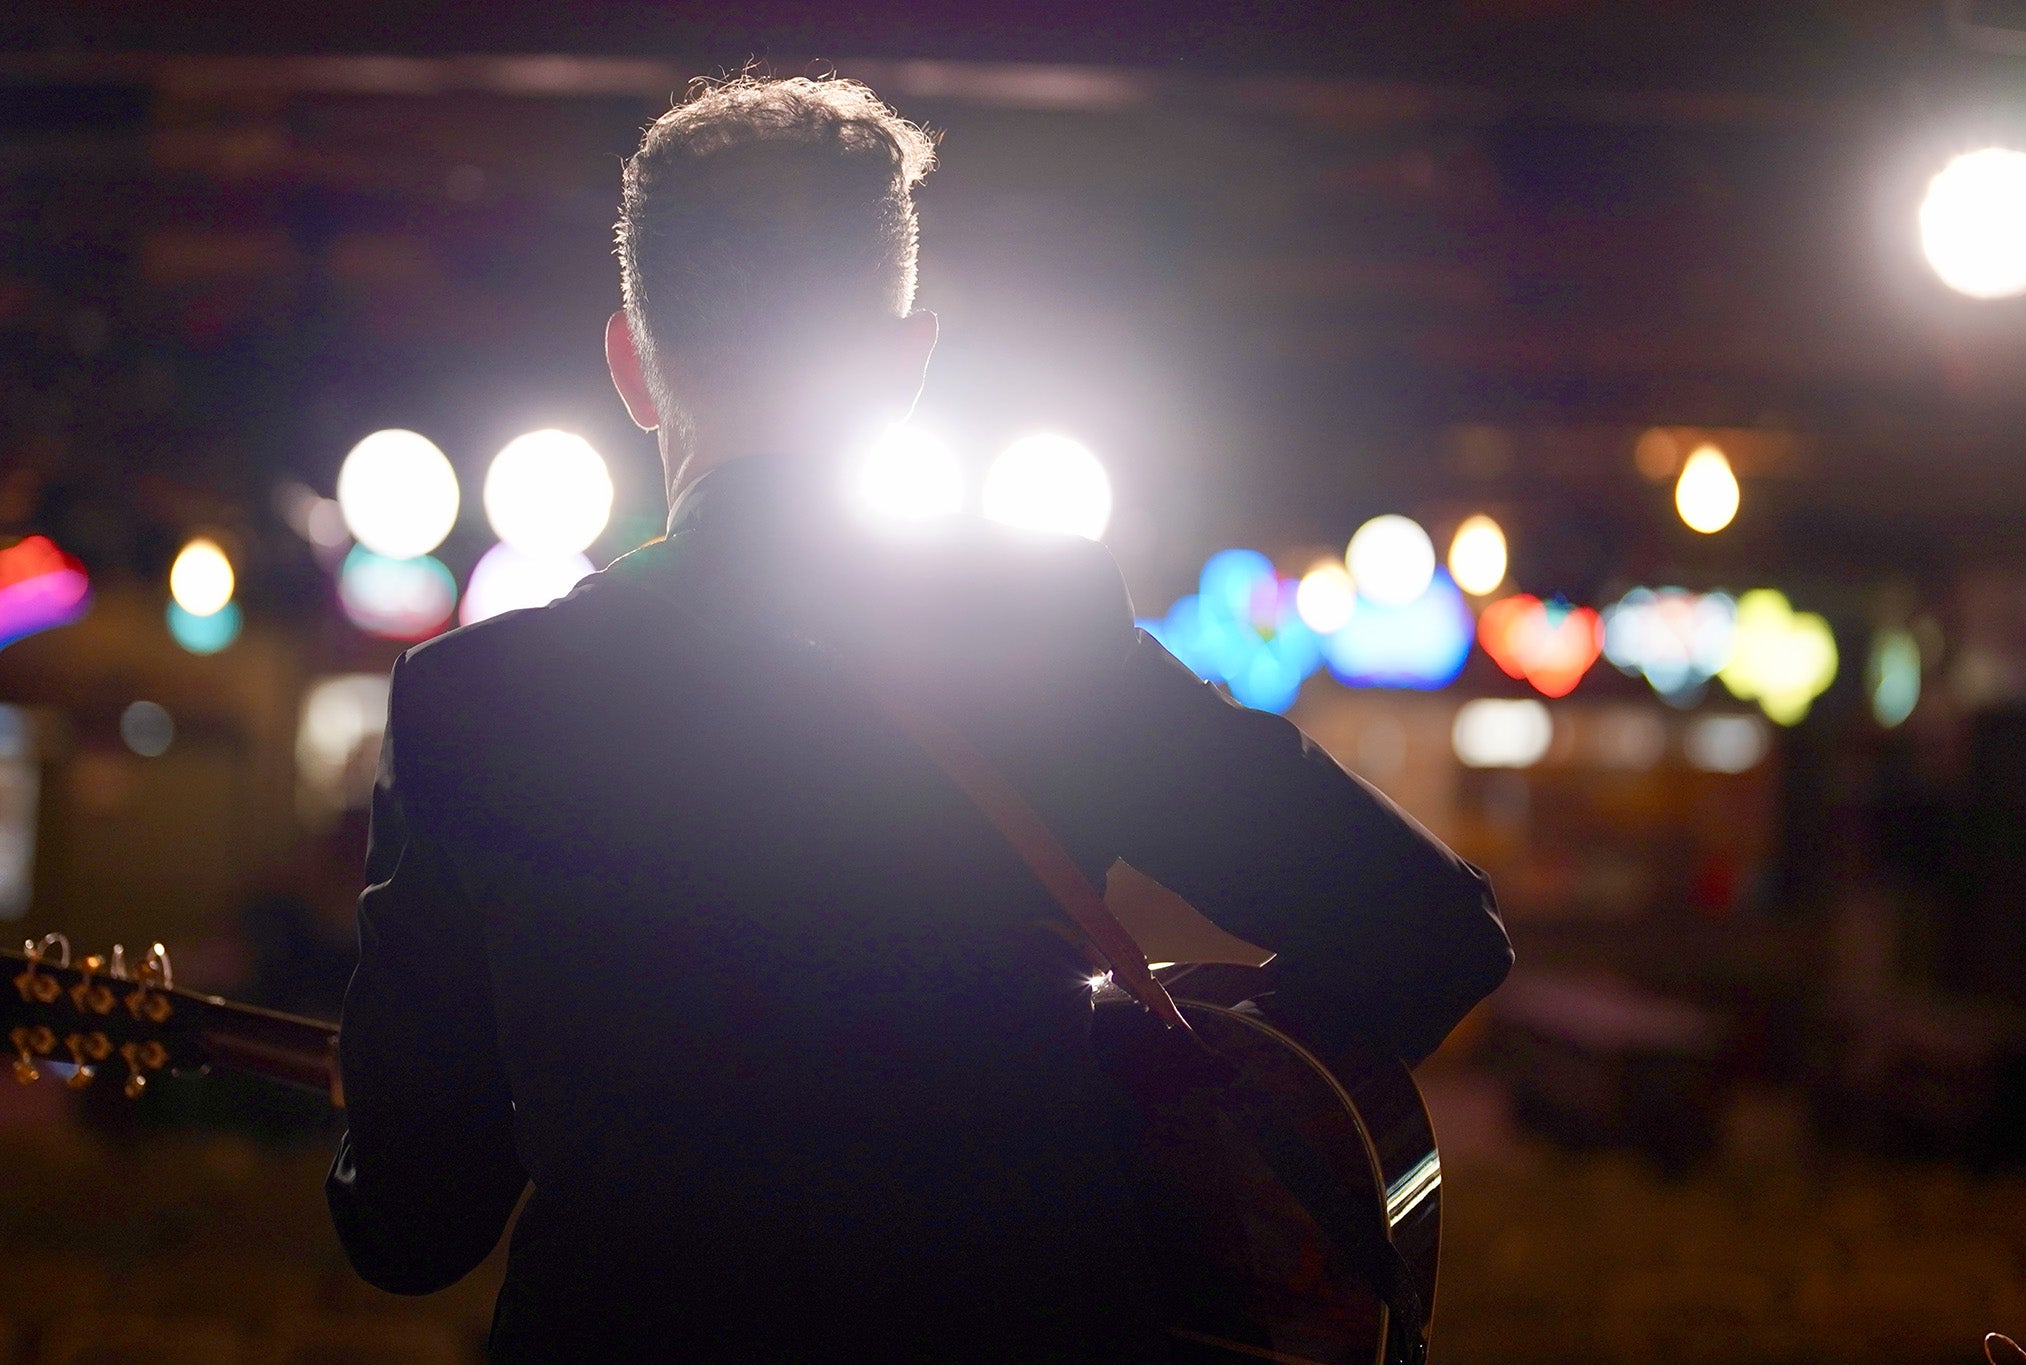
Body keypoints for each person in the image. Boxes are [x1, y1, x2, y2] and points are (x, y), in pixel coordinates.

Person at [327, 74, 1511, 1361]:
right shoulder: (1033, 624)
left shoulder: (474, 705)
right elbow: (1431, 932)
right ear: (905, 365)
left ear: (630, 364)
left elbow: (408, 1229)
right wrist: (1155, 1094)